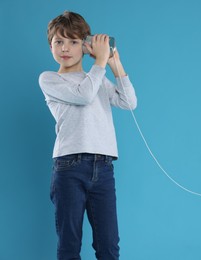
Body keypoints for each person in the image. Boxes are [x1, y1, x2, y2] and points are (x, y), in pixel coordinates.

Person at [39, 11, 137, 260]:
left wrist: (114, 63)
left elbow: (129, 102)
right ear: (50, 45)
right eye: (58, 42)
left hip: (103, 168)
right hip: (68, 168)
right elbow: (83, 95)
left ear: (85, 45)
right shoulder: (50, 79)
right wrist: (100, 63)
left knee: (108, 245)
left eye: (73, 41)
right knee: (69, 244)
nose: (65, 48)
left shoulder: (98, 78)